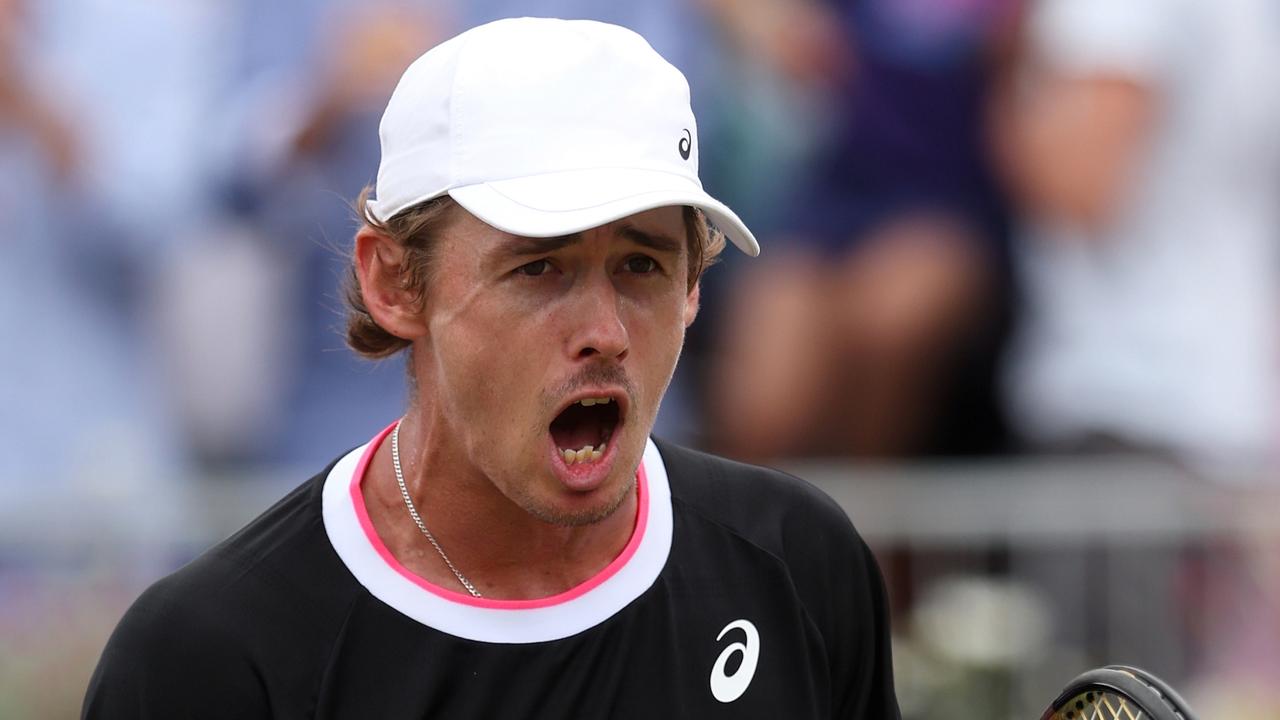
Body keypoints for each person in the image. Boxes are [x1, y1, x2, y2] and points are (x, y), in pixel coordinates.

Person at [82, 18, 899, 718]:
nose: (605, 332)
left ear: (693, 284)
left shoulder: (799, 564)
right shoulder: (208, 653)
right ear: (395, 281)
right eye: (539, 268)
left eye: (643, 265)